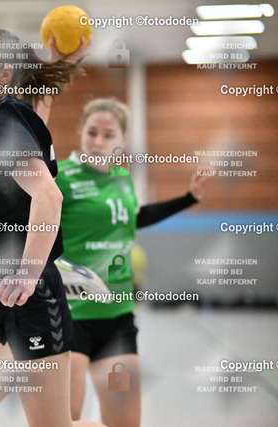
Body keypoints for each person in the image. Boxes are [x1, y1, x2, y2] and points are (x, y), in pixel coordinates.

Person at [0, 28, 103, 427]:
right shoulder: (4, 120)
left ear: (3, 75)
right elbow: (38, 111)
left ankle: (50, 277)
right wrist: (62, 62)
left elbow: (48, 196)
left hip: (24, 294)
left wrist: (29, 273)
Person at [53, 98, 211, 426]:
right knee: (64, 421)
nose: (98, 141)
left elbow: (133, 217)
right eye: (92, 132)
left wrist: (188, 198)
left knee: (126, 422)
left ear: (122, 139)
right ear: (81, 131)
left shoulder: (122, 177)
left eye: (108, 134)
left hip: (117, 320)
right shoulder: (61, 177)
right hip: (69, 317)